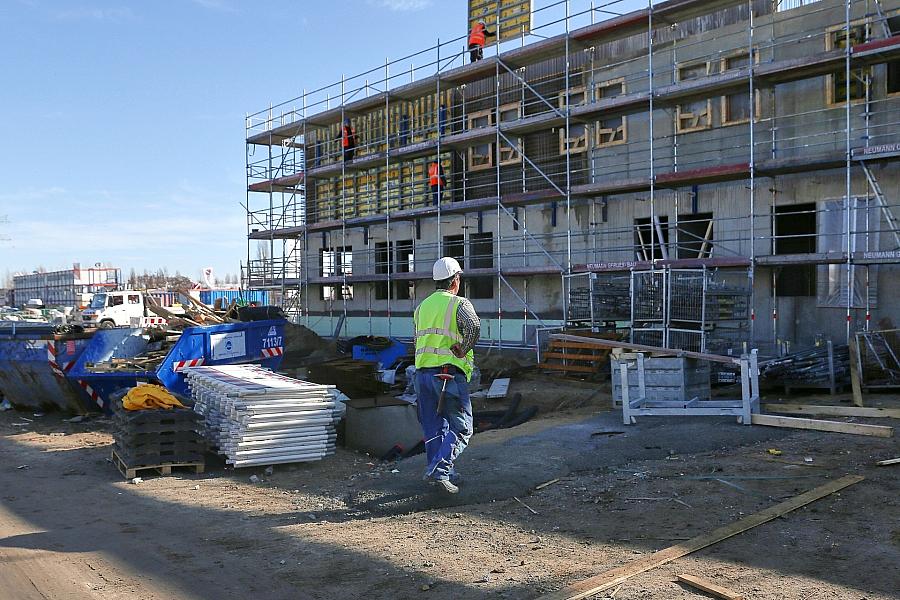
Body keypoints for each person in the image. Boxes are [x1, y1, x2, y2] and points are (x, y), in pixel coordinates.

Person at [413, 257, 480, 494]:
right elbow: (473, 328)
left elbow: (417, 340)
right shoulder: (459, 304)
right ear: (455, 280)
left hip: (422, 376)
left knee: (433, 428)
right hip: (447, 375)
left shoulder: (421, 308)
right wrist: (463, 348)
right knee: (462, 428)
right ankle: (440, 470)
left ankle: (440, 472)